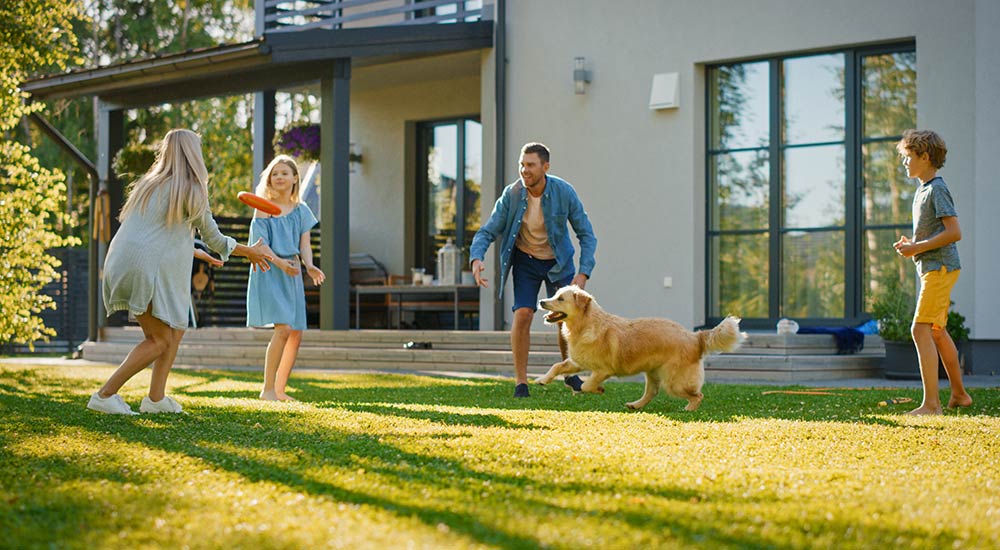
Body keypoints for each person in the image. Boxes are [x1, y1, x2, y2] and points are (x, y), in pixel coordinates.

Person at [88, 129, 274, 415]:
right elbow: (216, 239)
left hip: (122, 261)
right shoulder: (192, 189)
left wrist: (193, 250)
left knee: (176, 329)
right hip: (145, 267)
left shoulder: (148, 185)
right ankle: (104, 394)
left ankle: (156, 399)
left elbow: (156, 233)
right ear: (193, 154)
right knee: (159, 340)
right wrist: (251, 251)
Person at [470, 142, 597, 397]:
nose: (524, 170)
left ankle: (569, 373)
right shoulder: (512, 194)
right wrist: (476, 257)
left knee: (567, 318)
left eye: (530, 165)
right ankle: (521, 382)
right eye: (522, 165)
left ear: (545, 167)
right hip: (526, 261)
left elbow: (586, 234)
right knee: (523, 314)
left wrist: (582, 273)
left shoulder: (564, 192)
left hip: (558, 262)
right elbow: (488, 230)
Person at [893, 129, 972, 415]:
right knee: (937, 332)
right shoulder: (923, 189)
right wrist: (914, 245)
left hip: (940, 267)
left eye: (908, 157)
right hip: (934, 266)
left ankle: (931, 404)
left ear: (925, 157)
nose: (904, 163)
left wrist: (918, 248)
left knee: (920, 330)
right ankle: (959, 395)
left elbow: (954, 232)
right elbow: (937, 232)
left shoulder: (937, 188)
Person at [246, 155, 325, 401]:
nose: (278, 177)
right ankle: (267, 390)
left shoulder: (301, 210)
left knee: (295, 333)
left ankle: (279, 391)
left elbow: (305, 244)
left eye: (284, 173)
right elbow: (260, 245)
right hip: (270, 269)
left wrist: (309, 265)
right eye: (274, 173)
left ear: (294, 178)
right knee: (283, 329)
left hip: (292, 272)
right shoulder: (263, 208)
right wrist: (281, 263)